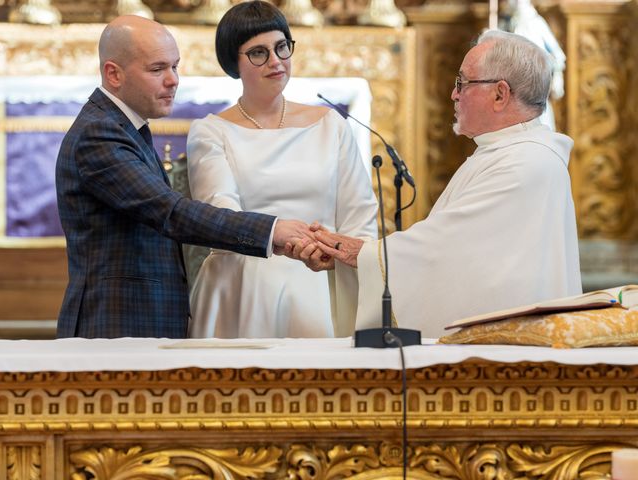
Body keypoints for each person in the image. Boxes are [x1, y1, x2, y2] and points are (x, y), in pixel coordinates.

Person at [292, 30, 582, 338]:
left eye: (463, 83)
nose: (454, 95)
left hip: (506, 355)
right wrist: (353, 258)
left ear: (500, 94)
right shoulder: (504, 152)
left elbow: (444, 253)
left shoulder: (526, 162)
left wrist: (358, 254)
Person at [55, 15, 312, 339]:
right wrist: (272, 230)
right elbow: (170, 212)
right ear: (113, 73)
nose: (173, 80)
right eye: (157, 69)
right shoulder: (100, 133)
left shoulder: (124, 127)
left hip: (139, 322)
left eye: (175, 66)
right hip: (116, 324)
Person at [186, 0, 378, 338]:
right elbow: (220, 215)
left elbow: (359, 217)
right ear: (234, 62)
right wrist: (281, 240)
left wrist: (331, 251)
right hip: (242, 285)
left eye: (281, 47)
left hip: (321, 283)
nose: (275, 61)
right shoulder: (210, 131)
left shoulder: (331, 124)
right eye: (258, 52)